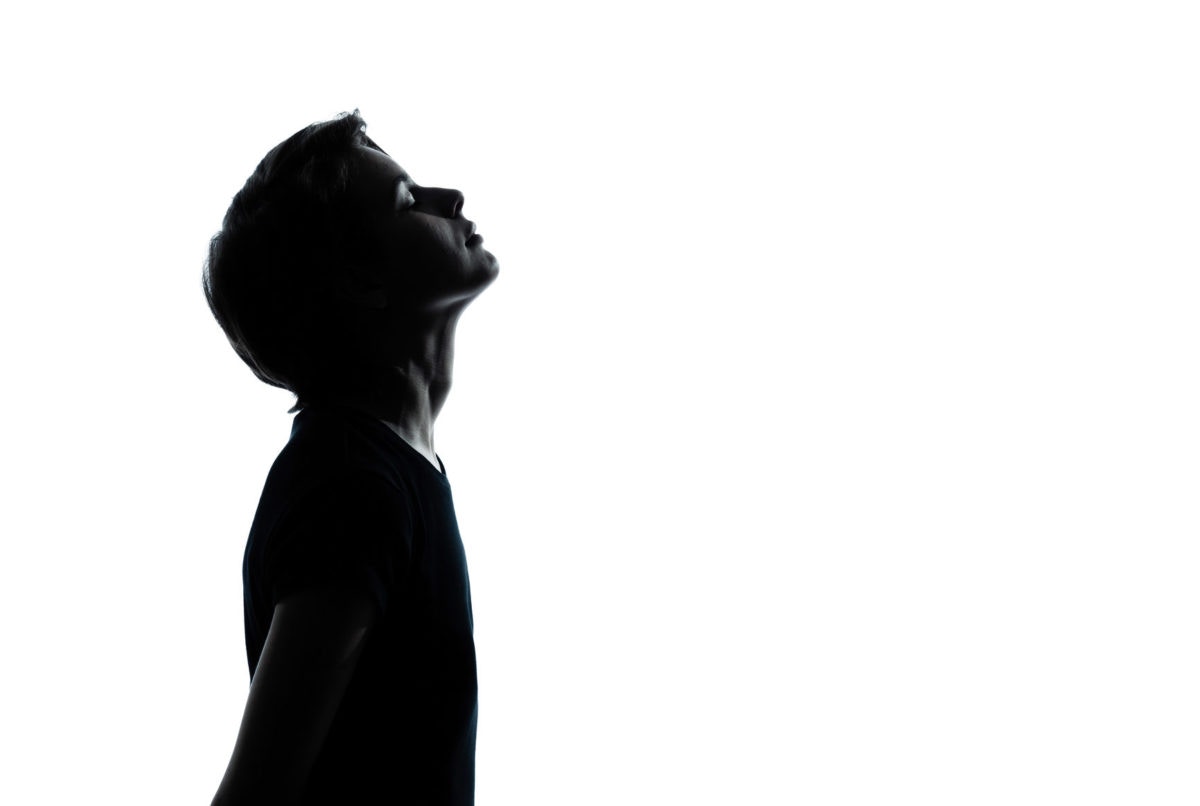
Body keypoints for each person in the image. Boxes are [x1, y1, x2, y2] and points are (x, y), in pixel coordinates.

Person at [202, 110, 498, 805]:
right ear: (362, 281)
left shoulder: (387, 470)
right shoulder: (353, 483)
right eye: (408, 201)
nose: (448, 197)